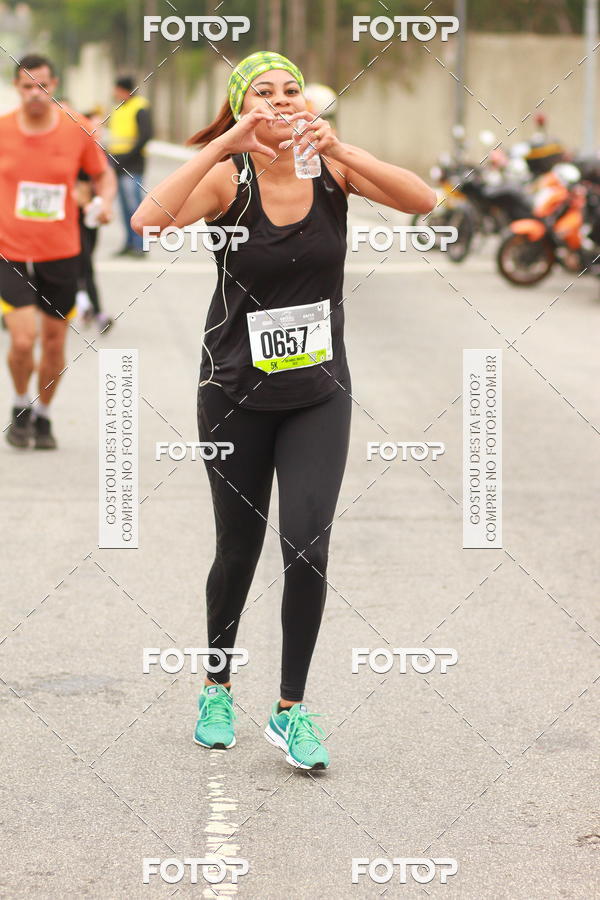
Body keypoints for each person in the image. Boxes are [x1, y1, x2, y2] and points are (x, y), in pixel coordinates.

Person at [132, 51, 435, 770]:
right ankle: (216, 685)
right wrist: (222, 143)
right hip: (233, 390)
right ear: (243, 107)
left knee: (307, 545)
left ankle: (291, 711)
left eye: (290, 90)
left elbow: (422, 200)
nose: (280, 101)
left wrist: (341, 146)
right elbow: (148, 220)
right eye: (262, 93)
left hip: (318, 393)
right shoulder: (223, 178)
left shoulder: (333, 169)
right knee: (237, 550)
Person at [0, 54, 115, 450]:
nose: (35, 93)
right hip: (9, 251)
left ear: (54, 85)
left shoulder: (75, 130)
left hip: (62, 251)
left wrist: (104, 203)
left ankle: (44, 415)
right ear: (17, 87)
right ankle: (20, 406)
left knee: (52, 342)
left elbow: (102, 174)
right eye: (28, 86)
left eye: (43, 86)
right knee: (21, 339)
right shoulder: (2, 130)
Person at [75, 108, 113, 334]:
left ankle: (85, 307)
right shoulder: (79, 155)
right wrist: (85, 203)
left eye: (100, 126)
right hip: (74, 218)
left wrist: (105, 204)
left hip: (92, 219)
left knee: (84, 265)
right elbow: (77, 187)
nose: (98, 131)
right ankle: (97, 312)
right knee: (84, 267)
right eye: (94, 127)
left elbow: (108, 183)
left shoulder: (101, 153)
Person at [107, 76, 153, 257]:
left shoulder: (140, 107)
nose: (114, 93)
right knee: (125, 207)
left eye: (116, 89)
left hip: (132, 164)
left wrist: (125, 157)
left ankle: (140, 246)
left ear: (124, 90)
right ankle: (129, 243)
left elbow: (145, 136)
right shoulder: (118, 108)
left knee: (136, 207)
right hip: (117, 164)